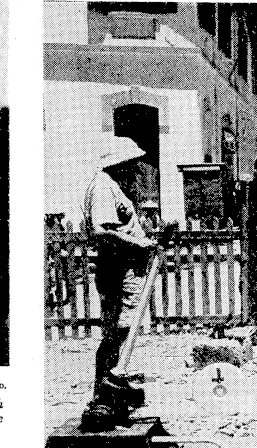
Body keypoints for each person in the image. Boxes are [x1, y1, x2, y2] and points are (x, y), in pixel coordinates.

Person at [81, 136, 157, 431]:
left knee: (122, 332)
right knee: (119, 333)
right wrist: (140, 245)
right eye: (131, 164)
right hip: (117, 270)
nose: (135, 170)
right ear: (120, 163)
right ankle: (105, 395)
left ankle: (111, 395)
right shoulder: (103, 185)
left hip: (124, 268)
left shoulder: (112, 185)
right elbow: (102, 230)